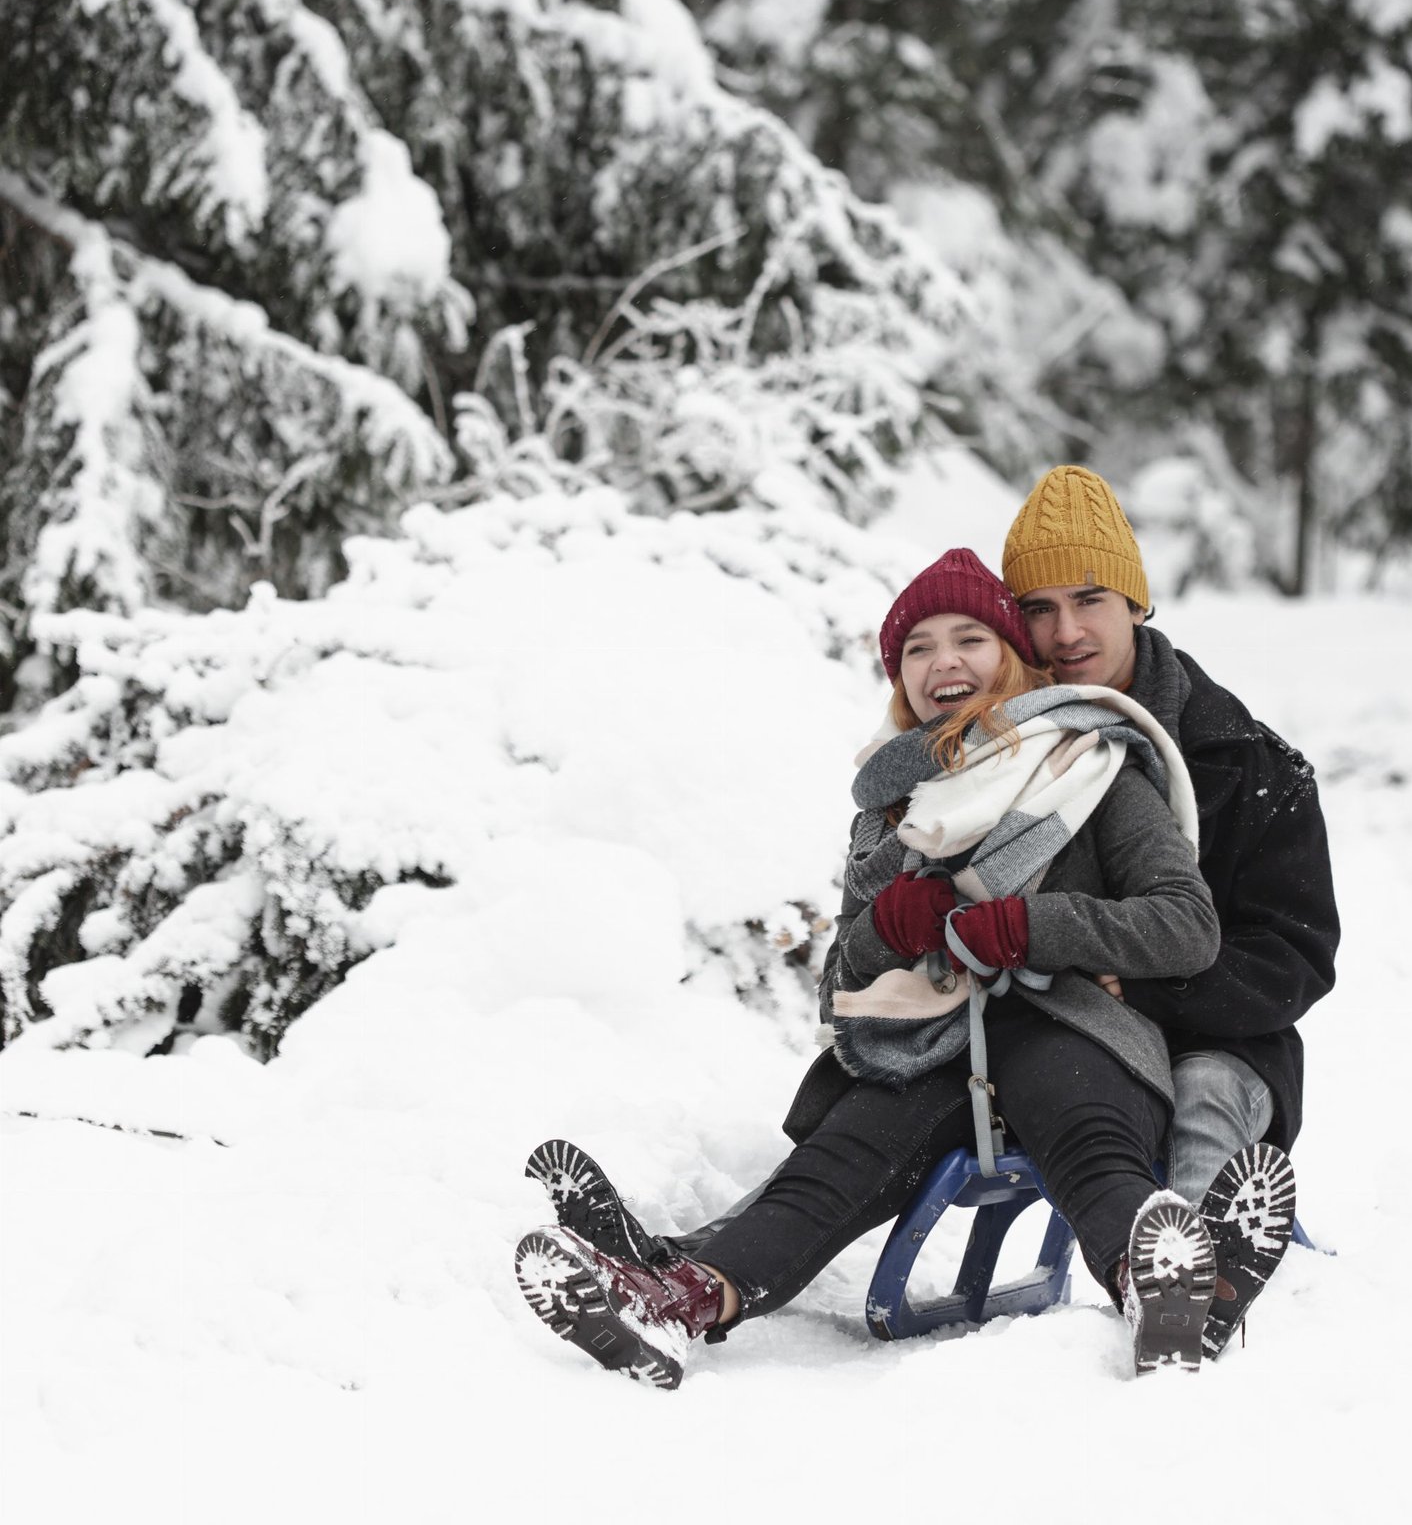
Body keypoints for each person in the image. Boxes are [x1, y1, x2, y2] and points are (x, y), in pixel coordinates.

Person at [516, 549, 1226, 1388]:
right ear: (899, 676)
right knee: (837, 1162)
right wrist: (888, 927)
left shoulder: (1090, 762)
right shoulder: (891, 806)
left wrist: (1030, 925)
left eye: (970, 638)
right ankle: (677, 1303)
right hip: (930, 1045)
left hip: (1074, 1027)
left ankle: (1162, 1291)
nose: (945, 662)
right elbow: (842, 991)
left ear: (1011, 655)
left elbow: (1187, 926)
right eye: (918, 649)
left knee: (1087, 1138)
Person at [1000, 465, 1338, 1350]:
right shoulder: (996, 748)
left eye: (1090, 598)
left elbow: (1295, 956)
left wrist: (1146, 990)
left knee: (1205, 1091)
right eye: (1037, 607)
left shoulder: (1251, 763)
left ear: (1137, 602)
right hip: (1059, 1036)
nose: (1065, 631)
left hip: (1217, 1034)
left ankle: (1189, 1289)